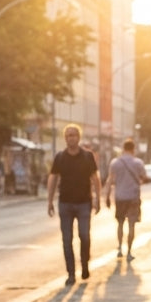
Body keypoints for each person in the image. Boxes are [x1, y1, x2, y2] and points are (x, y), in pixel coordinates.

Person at [46, 123, 101, 287]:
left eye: (74, 135)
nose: (72, 138)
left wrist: (98, 197)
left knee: (84, 236)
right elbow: (53, 178)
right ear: (65, 138)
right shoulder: (60, 157)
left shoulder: (87, 156)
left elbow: (95, 177)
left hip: (84, 202)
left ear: (79, 137)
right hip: (65, 203)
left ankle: (84, 265)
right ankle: (71, 273)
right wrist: (49, 201)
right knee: (67, 239)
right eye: (69, 135)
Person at [105, 139, 148, 261]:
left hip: (120, 197)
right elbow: (144, 178)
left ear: (123, 148)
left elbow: (110, 180)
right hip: (133, 197)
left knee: (120, 223)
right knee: (131, 225)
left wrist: (107, 196)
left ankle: (119, 248)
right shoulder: (138, 163)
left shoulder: (115, 163)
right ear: (133, 149)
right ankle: (129, 251)